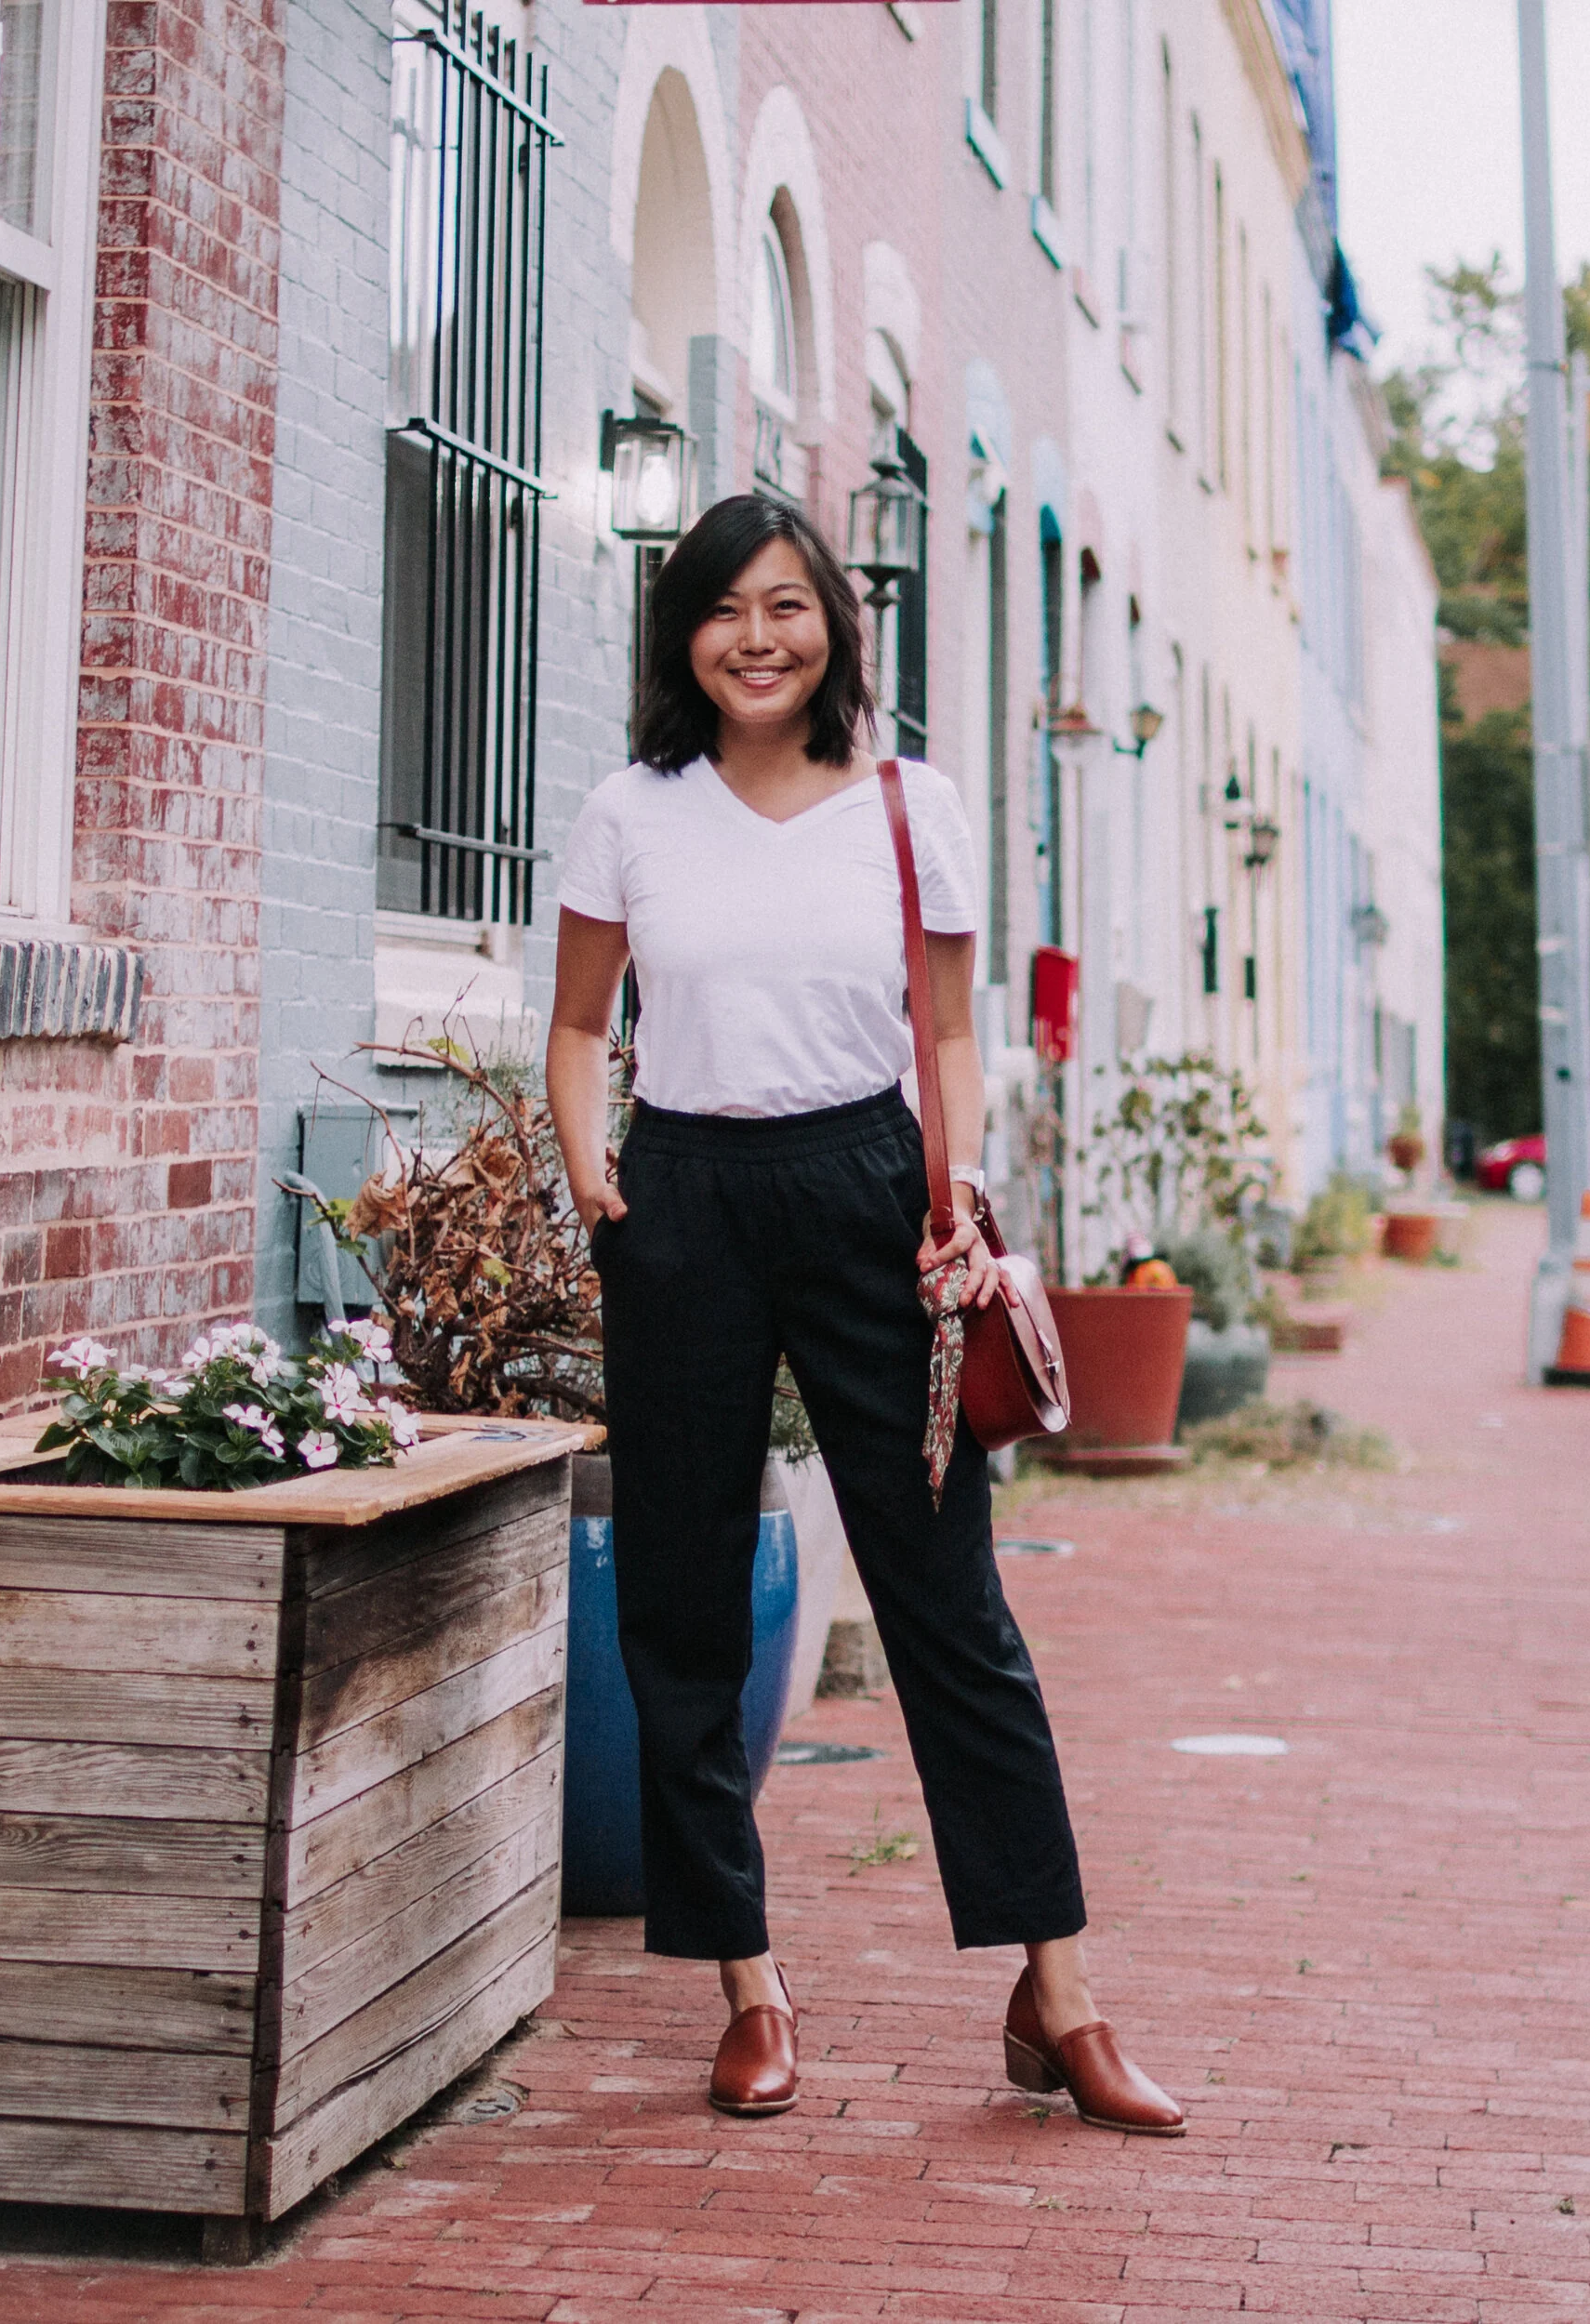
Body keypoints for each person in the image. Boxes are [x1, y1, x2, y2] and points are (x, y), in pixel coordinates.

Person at [545, 492, 1182, 2135]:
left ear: (833, 621)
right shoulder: (632, 808)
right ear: (682, 634)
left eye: (789, 606)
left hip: (867, 1198)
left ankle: (1060, 1992)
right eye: (724, 610)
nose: (759, 638)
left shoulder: (913, 806)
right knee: (678, 1595)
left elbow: (950, 1034)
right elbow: (576, 1022)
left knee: (947, 1602)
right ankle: (747, 1989)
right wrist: (592, 1172)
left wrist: (954, 1193)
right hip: (683, 1200)